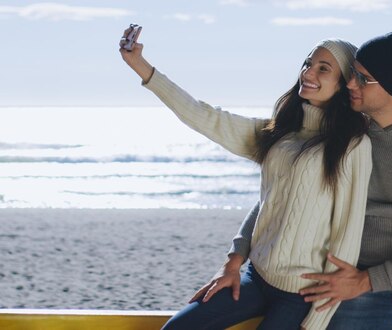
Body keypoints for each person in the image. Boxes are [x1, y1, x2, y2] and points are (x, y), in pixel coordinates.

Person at [119, 28, 372, 330]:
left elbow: (347, 234)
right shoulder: (279, 133)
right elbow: (206, 118)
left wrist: (316, 321)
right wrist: (233, 261)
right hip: (256, 277)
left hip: (302, 295)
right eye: (308, 63)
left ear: (343, 84)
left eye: (323, 68)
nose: (309, 72)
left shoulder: (353, 145)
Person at [232, 32, 392, 329]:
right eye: (351, 75)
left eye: (362, 79)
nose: (350, 84)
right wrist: (237, 254)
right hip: (348, 280)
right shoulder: (344, 132)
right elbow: (282, 193)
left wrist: (366, 282)